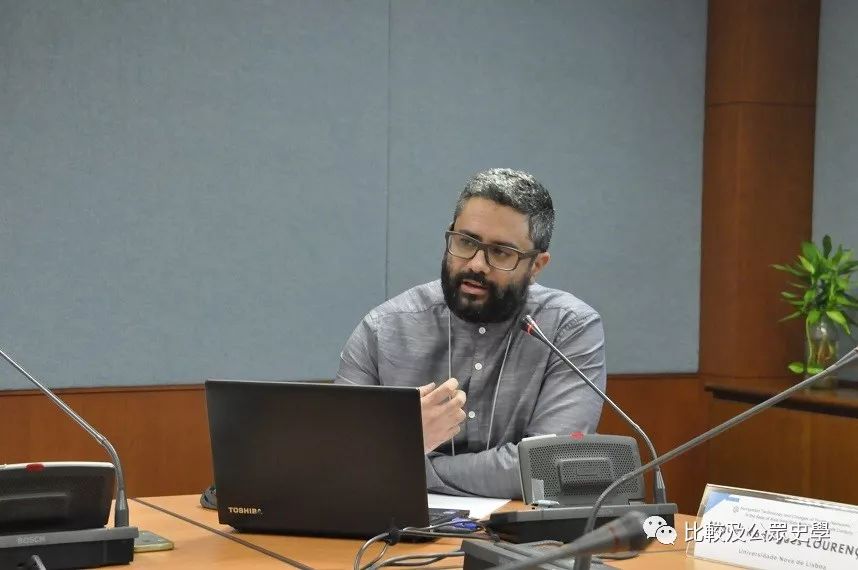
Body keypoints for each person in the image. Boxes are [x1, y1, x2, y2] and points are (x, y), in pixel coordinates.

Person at [336, 168, 606, 498]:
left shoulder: (568, 328)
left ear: (536, 265)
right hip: (397, 527)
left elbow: (548, 467)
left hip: (522, 530)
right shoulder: (383, 329)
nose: (477, 264)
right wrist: (395, 450)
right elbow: (338, 460)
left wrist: (401, 451)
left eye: (501, 252)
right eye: (466, 242)